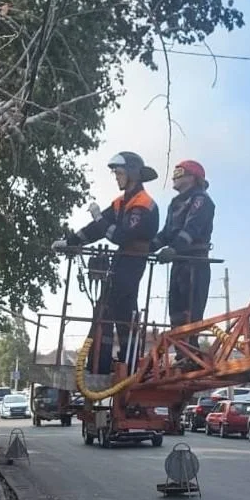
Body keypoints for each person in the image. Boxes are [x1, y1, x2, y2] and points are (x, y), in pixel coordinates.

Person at [52, 152, 160, 374]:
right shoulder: (121, 202)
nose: (116, 177)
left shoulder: (143, 204)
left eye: (119, 173)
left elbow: (120, 236)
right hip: (122, 260)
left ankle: (117, 364)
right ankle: (106, 363)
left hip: (133, 261)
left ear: (132, 174)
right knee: (113, 309)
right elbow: (97, 230)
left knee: (115, 307)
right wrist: (71, 241)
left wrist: (99, 218)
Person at [152, 160, 215, 355]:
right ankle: (181, 354)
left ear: (193, 177)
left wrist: (173, 249)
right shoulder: (175, 203)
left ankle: (189, 354)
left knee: (191, 314)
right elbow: (166, 234)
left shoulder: (201, 200)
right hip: (179, 263)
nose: (174, 177)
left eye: (179, 172)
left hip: (195, 263)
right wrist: (148, 246)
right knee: (176, 314)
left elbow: (191, 229)